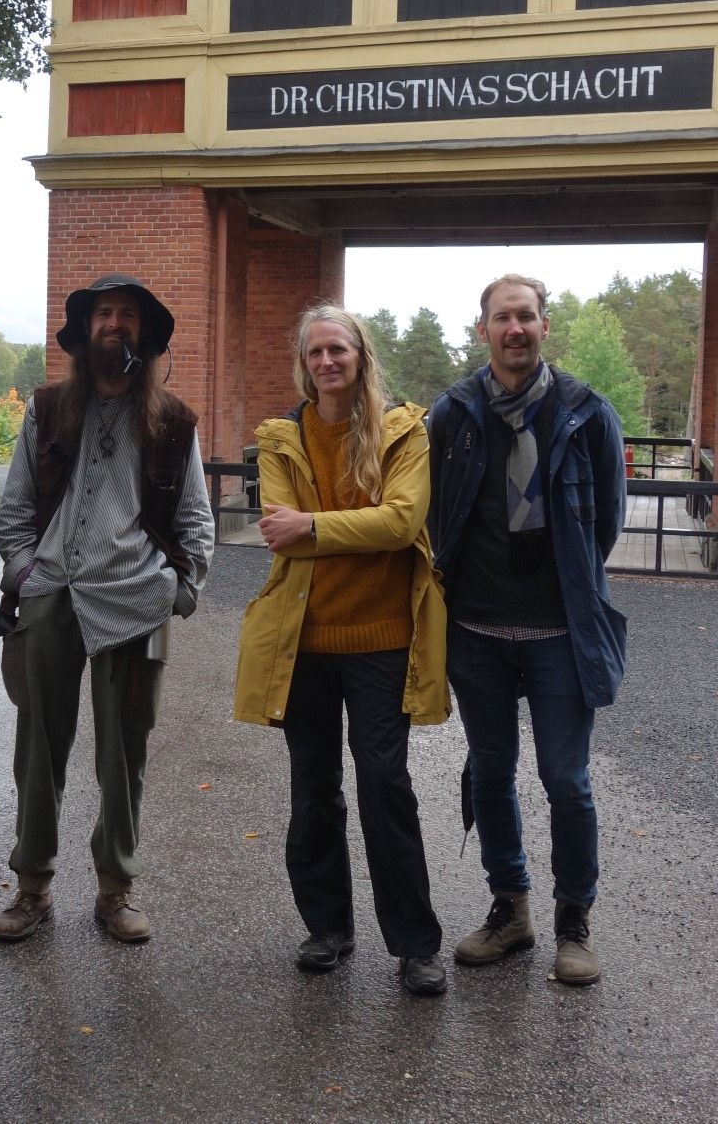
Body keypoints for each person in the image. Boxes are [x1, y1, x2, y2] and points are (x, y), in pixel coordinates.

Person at [233, 306, 450, 996]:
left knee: (386, 785)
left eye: (340, 349)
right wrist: (336, 527)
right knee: (314, 787)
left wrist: (317, 524)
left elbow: (402, 521)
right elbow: (279, 528)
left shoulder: (402, 431)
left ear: (361, 355)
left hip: (383, 638)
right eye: (317, 351)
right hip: (306, 639)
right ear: (304, 361)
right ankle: (328, 927)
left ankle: (415, 943)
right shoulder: (281, 436)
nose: (328, 361)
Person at [0, 273, 214, 944]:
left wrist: (178, 586)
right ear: (83, 329)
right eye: (102, 314)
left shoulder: (173, 421)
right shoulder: (47, 407)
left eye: (126, 315)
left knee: (124, 752)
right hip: (52, 594)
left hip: (135, 600)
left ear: (143, 333)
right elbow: (16, 509)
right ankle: (32, 886)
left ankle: (116, 889)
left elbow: (197, 519)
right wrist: (26, 572)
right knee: (39, 748)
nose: (113, 325)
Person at [426, 274, 627, 987]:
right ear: (482, 329)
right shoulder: (451, 414)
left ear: (545, 328)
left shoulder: (586, 412)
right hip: (475, 629)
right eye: (502, 317)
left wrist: (563, 583)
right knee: (488, 770)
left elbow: (603, 523)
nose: (516, 328)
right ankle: (510, 909)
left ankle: (575, 920)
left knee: (566, 780)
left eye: (528, 316)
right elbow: (435, 515)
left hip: (558, 632)